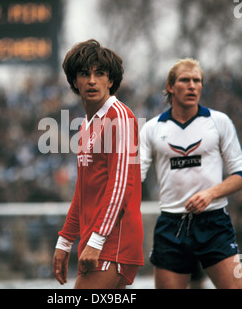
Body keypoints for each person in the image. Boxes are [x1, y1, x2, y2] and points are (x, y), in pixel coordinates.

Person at [140, 58, 242, 289]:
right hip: (171, 226)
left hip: (214, 223)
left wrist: (210, 194)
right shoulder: (152, 128)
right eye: (185, 80)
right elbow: (135, 177)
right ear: (170, 86)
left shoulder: (219, 122)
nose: (192, 86)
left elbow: (240, 174)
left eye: (197, 81)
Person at [52, 39, 144, 289]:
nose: (92, 80)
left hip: (114, 241)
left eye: (100, 73)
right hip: (96, 240)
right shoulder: (85, 126)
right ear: (74, 81)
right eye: (84, 74)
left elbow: (121, 184)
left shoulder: (120, 116)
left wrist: (97, 239)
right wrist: (65, 241)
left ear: (110, 81)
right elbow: (83, 192)